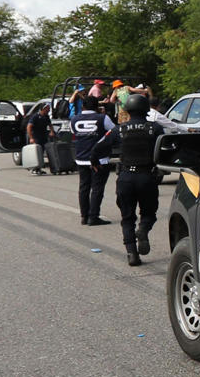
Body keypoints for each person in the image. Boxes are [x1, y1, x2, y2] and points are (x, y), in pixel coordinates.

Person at [111, 91, 168, 266]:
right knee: (149, 213)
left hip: (126, 177)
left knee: (127, 217)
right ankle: (143, 229)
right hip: (147, 177)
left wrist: (95, 161)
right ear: (146, 109)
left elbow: (100, 147)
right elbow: (166, 148)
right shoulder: (156, 128)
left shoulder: (119, 129)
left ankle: (132, 255)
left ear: (127, 109)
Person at [71, 91, 118, 226]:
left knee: (84, 188)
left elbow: (74, 133)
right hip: (100, 159)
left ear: (83, 106)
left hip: (81, 158)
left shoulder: (74, 119)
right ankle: (94, 217)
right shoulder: (102, 118)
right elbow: (114, 132)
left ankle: (84, 216)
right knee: (97, 188)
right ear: (97, 106)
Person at [25, 101, 51, 176]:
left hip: (43, 136)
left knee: (41, 153)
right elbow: (29, 127)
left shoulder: (46, 116)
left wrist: (52, 131)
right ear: (43, 109)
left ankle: (38, 168)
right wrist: (31, 138)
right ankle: (34, 169)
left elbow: (50, 124)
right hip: (36, 137)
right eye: (47, 108)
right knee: (36, 153)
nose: (49, 110)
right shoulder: (35, 116)